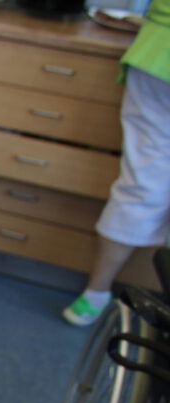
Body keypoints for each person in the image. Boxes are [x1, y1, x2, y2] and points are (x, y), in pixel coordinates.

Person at [62, 0, 170, 326]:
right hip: (158, 52)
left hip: (158, 50)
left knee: (143, 179)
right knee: (142, 181)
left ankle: (95, 293)